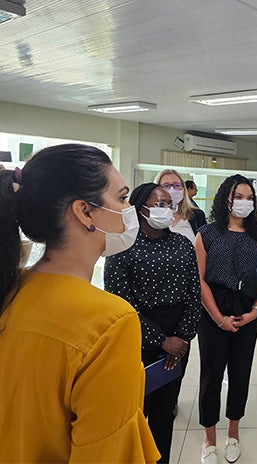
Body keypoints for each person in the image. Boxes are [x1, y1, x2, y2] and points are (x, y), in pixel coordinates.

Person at [0, 144, 159, 462]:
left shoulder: (10, 290)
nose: (129, 211)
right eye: (123, 198)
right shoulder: (110, 320)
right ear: (85, 211)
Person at [104, 182, 202, 463]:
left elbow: (195, 293)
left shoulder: (182, 243)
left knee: (165, 413)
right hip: (138, 339)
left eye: (168, 205)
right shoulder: (122, 246)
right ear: (139, 207)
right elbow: (121, 303)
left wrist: (182, 338)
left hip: (180, 340)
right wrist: (161, 341)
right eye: (157, 204)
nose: (164, 210)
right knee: (135, 413)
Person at [194, 174, 257, 464]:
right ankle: (209, 438)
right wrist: (217, 317)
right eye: (239, 196)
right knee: (211, 375)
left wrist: (255, 311)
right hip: (213, 305)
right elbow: (199, 280)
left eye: (249, 197)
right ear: (226, 198)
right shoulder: (208, 233)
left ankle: (233, 433)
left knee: (240, 374)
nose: (244, 202)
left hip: (247, 312)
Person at [155, 169, 205, 241]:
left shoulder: (197, 215)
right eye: (166, 185)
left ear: (184, 190)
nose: (172, 189)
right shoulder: (151, 216)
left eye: (177, 185)